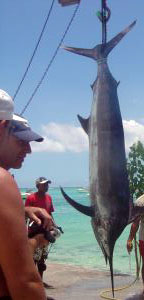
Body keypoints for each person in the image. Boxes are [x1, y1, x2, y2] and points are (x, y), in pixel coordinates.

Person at [0, 89, 49, 299]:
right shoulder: (2, 181)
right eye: (21, 141)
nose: (28, 150)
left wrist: (22, 209)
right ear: (2, 128)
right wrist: (36, 241)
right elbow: (25, 282)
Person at [25, 177, 54, 282]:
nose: (46, 186)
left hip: (46, 230)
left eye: (47, 184)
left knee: (42, 259)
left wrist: (55, 226)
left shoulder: (49, 198)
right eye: (44, 184)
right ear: (38, 186)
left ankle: (40, 281)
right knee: (33, 258)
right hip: (34, 231)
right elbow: (26, 213)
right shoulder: (31, 198)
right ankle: (32, 280)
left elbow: (49, 214)